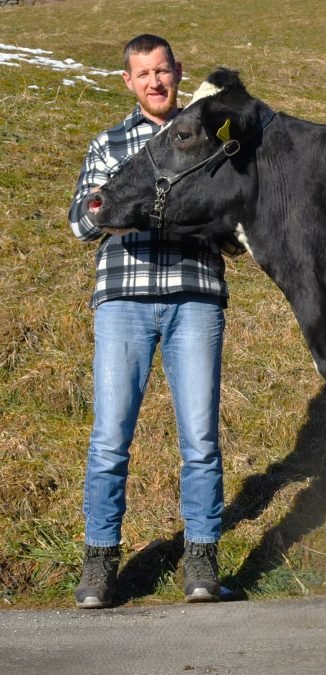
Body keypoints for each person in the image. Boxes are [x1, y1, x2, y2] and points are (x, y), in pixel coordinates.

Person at [68, 34, 227, 608]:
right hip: (123, 302)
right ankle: (100, 561)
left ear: (178, 72)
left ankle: (202, 557)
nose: (155, 81)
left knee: (201, 440)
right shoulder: (108, 143)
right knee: (110, 438)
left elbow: (230, 222)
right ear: (128, 82)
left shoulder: (209, 142)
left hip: (195, 298)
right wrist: (116, 206)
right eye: (143, 74)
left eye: (162, 70)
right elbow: (80, 222)